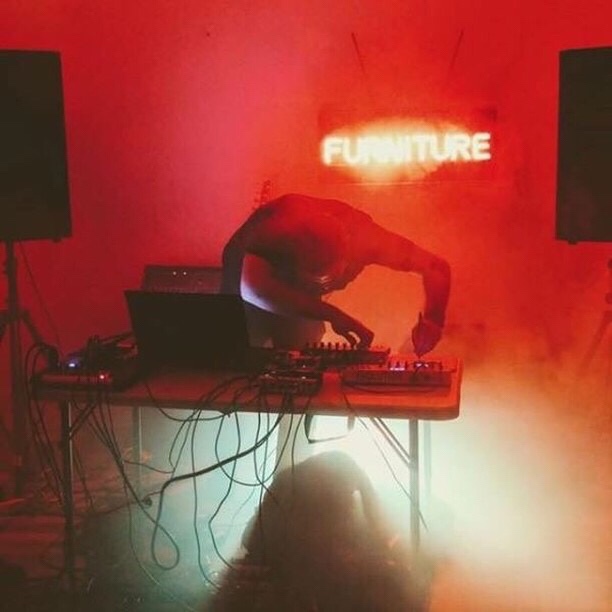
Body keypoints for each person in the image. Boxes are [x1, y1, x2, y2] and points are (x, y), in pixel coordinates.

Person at [221, 193, 450, 356]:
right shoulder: (278, 229)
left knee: (305, 352)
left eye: (326, 280)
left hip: (284, 280)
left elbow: (436, 268)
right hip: (246, 272)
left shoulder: (370, 240)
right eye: (312, 278)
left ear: (348, 252)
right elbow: (254, 291)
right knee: (241, 354)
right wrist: (335, 316)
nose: (323, 285)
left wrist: (433, 320)